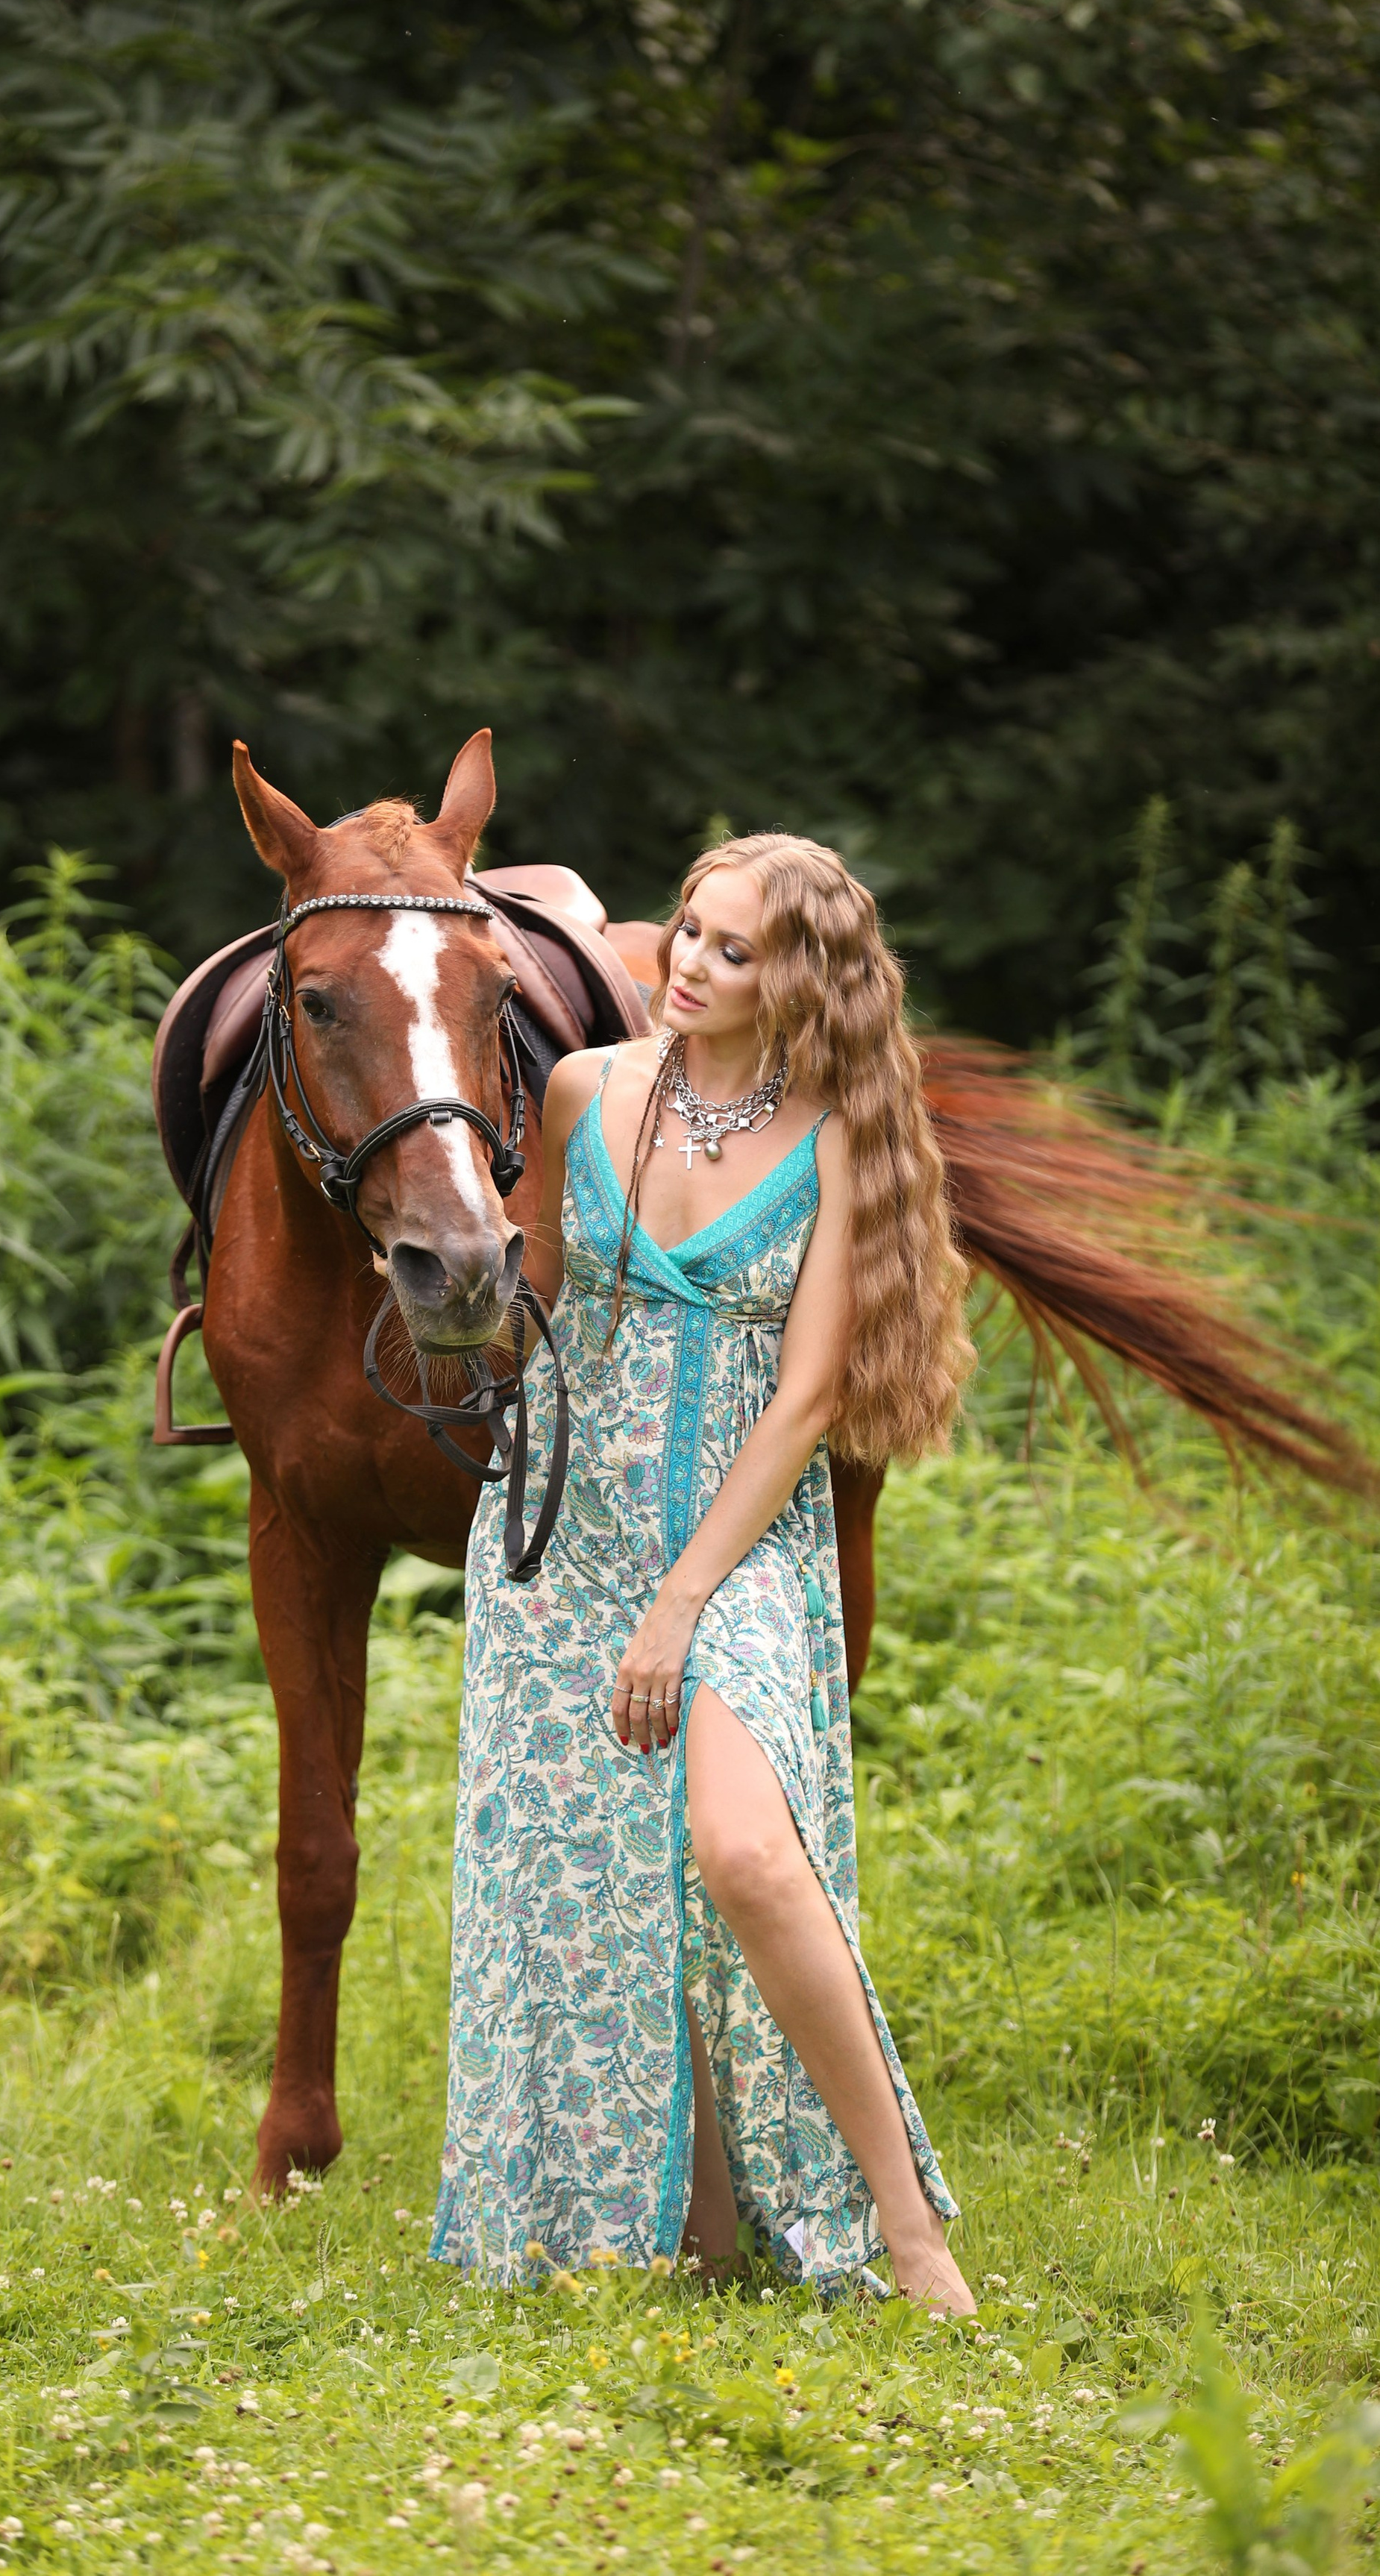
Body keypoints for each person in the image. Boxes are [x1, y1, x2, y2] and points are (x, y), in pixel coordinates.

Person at [430, 832, 976, 2312]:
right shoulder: (576, 1094)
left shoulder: (835, 1135)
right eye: (684, 931)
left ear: (799, 979)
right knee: (591, 1874)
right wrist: (451, 1292)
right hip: (566, 1546)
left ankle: (899, 2220)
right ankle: (694, 2225)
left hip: (730, 1556)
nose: (685, 963)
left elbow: (806, 1404)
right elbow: (523, 1333)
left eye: (732, 949)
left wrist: (680, 1605)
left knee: (737, 1852)